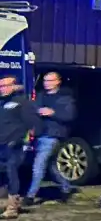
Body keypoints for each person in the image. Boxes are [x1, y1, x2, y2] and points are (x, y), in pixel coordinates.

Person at [26, 71, 77, 204]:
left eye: (50, 81)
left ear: (58, 82)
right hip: (39, 134)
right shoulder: (40, 96)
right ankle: (66, 187)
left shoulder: (65, 98)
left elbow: (70, 116)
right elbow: (32, 111)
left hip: (53, 136)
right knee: (51, 166)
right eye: (45, 81)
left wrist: (53, 113)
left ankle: (30, 195)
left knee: (38, 165)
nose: (47, 84)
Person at [0, 76, 40, 219]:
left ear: (14, 86)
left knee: (12, 172)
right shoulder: (2, 102)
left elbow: (32, 122)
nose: (2, 88)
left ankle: (13, 206)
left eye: (6, 85)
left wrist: (24, 140)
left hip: (14, 144)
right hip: (2, 144)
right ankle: (5, 202)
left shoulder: (22, 102)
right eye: (1, 86)